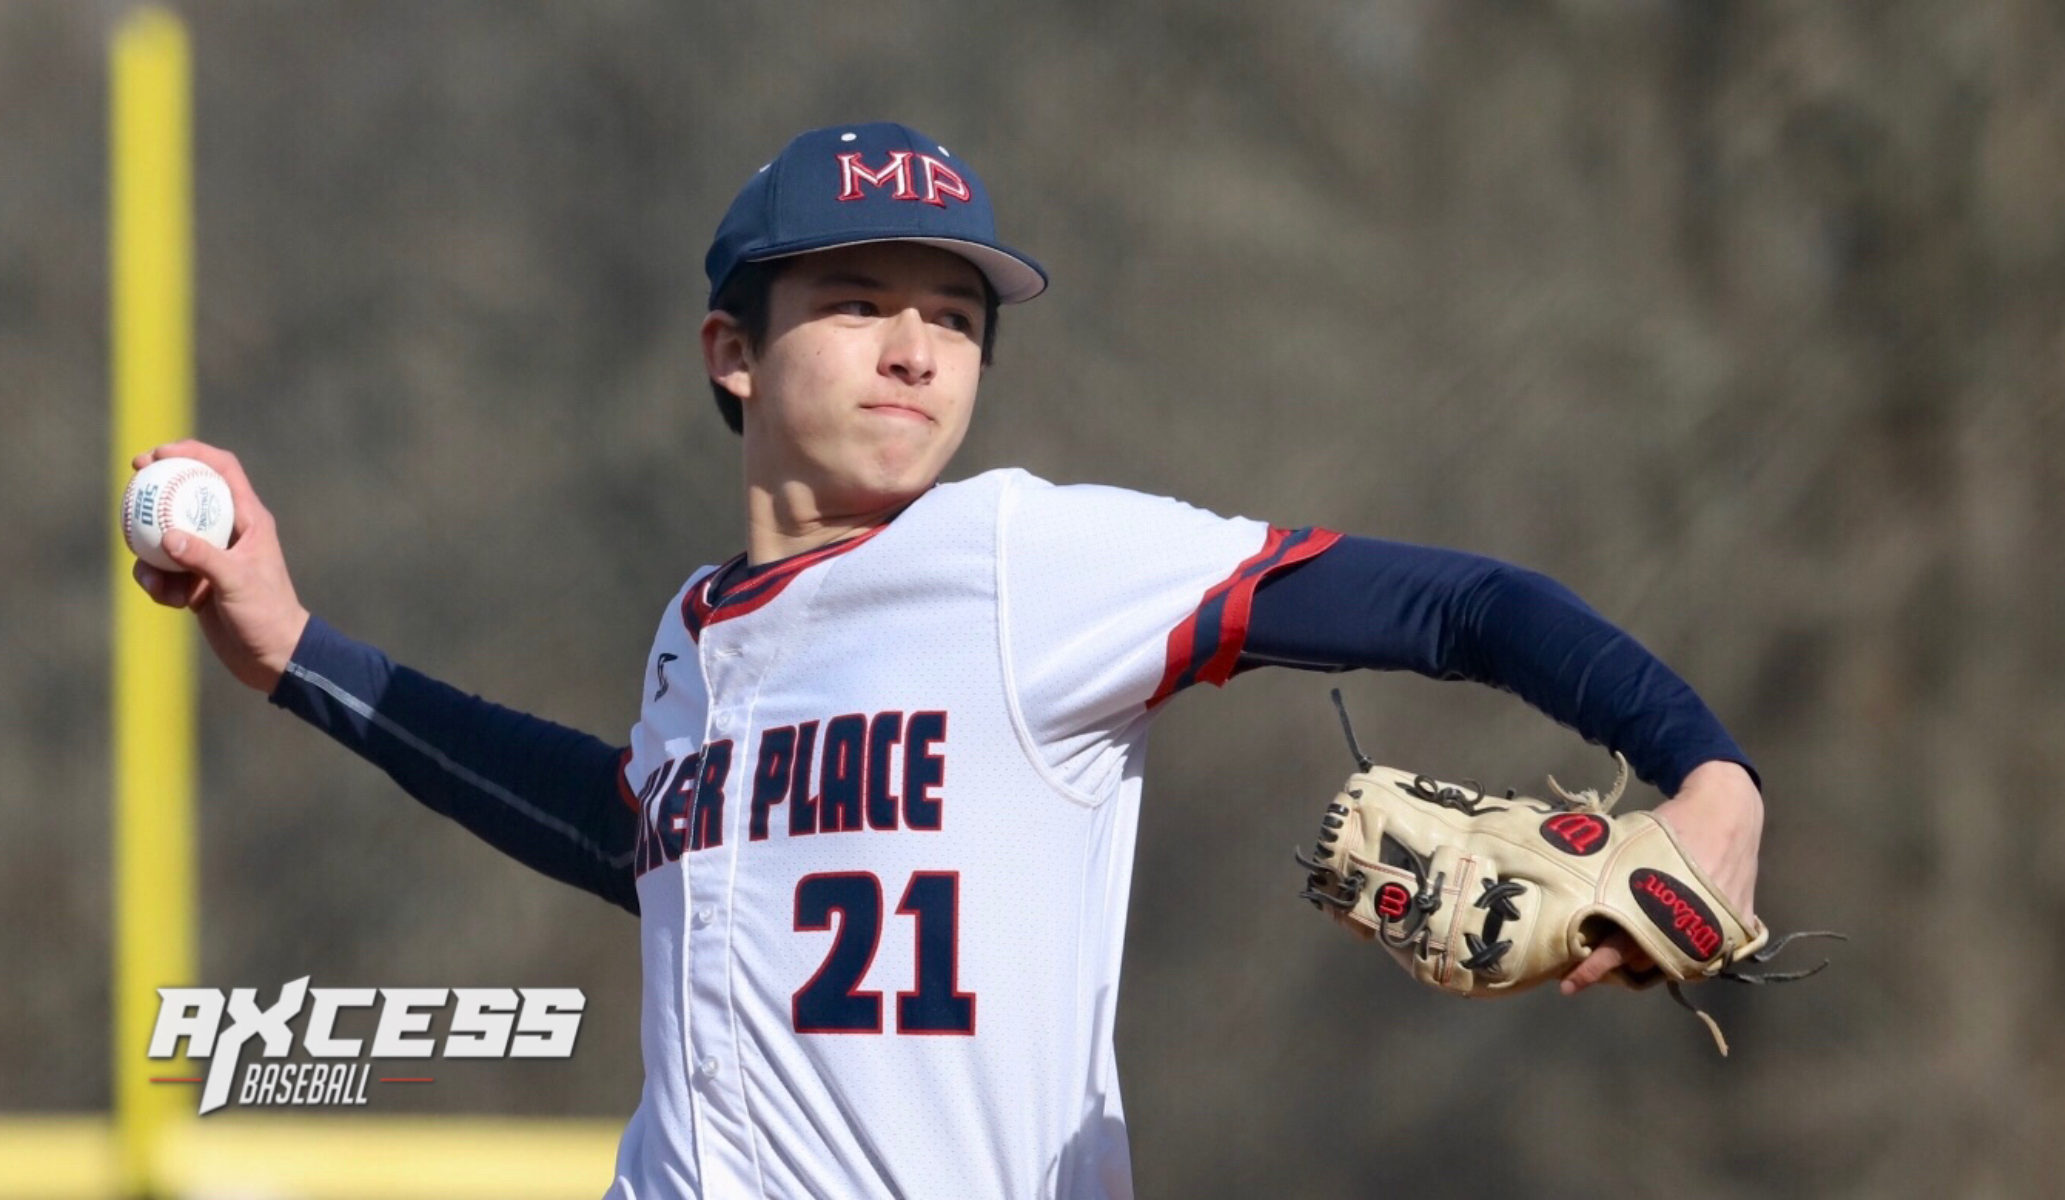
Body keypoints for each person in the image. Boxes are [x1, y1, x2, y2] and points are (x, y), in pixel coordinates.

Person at [131, 122, 1765, 1199]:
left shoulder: (1023, 563)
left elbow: (1456, 602)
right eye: (860, 301)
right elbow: (627, 831)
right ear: (733, 353)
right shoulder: (693, 642)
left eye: (959, 316)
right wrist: (289, 652)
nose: (921, 345)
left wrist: (1705, 772)